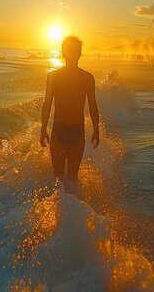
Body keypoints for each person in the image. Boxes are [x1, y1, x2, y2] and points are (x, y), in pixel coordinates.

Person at [40, 36, 100, 192]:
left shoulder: (87, 78)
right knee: (61, 179)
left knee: (68, 179)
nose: (72, 54)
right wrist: (43, 129)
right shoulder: (55, 77)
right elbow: (47, 104)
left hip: (74, 132)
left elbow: (93, 105)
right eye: (70, 50)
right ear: (64, 53)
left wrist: (96, 130)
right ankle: (64, 212)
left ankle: (71, 211)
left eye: (75, 51)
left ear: (79, 54)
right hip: (62, 130)